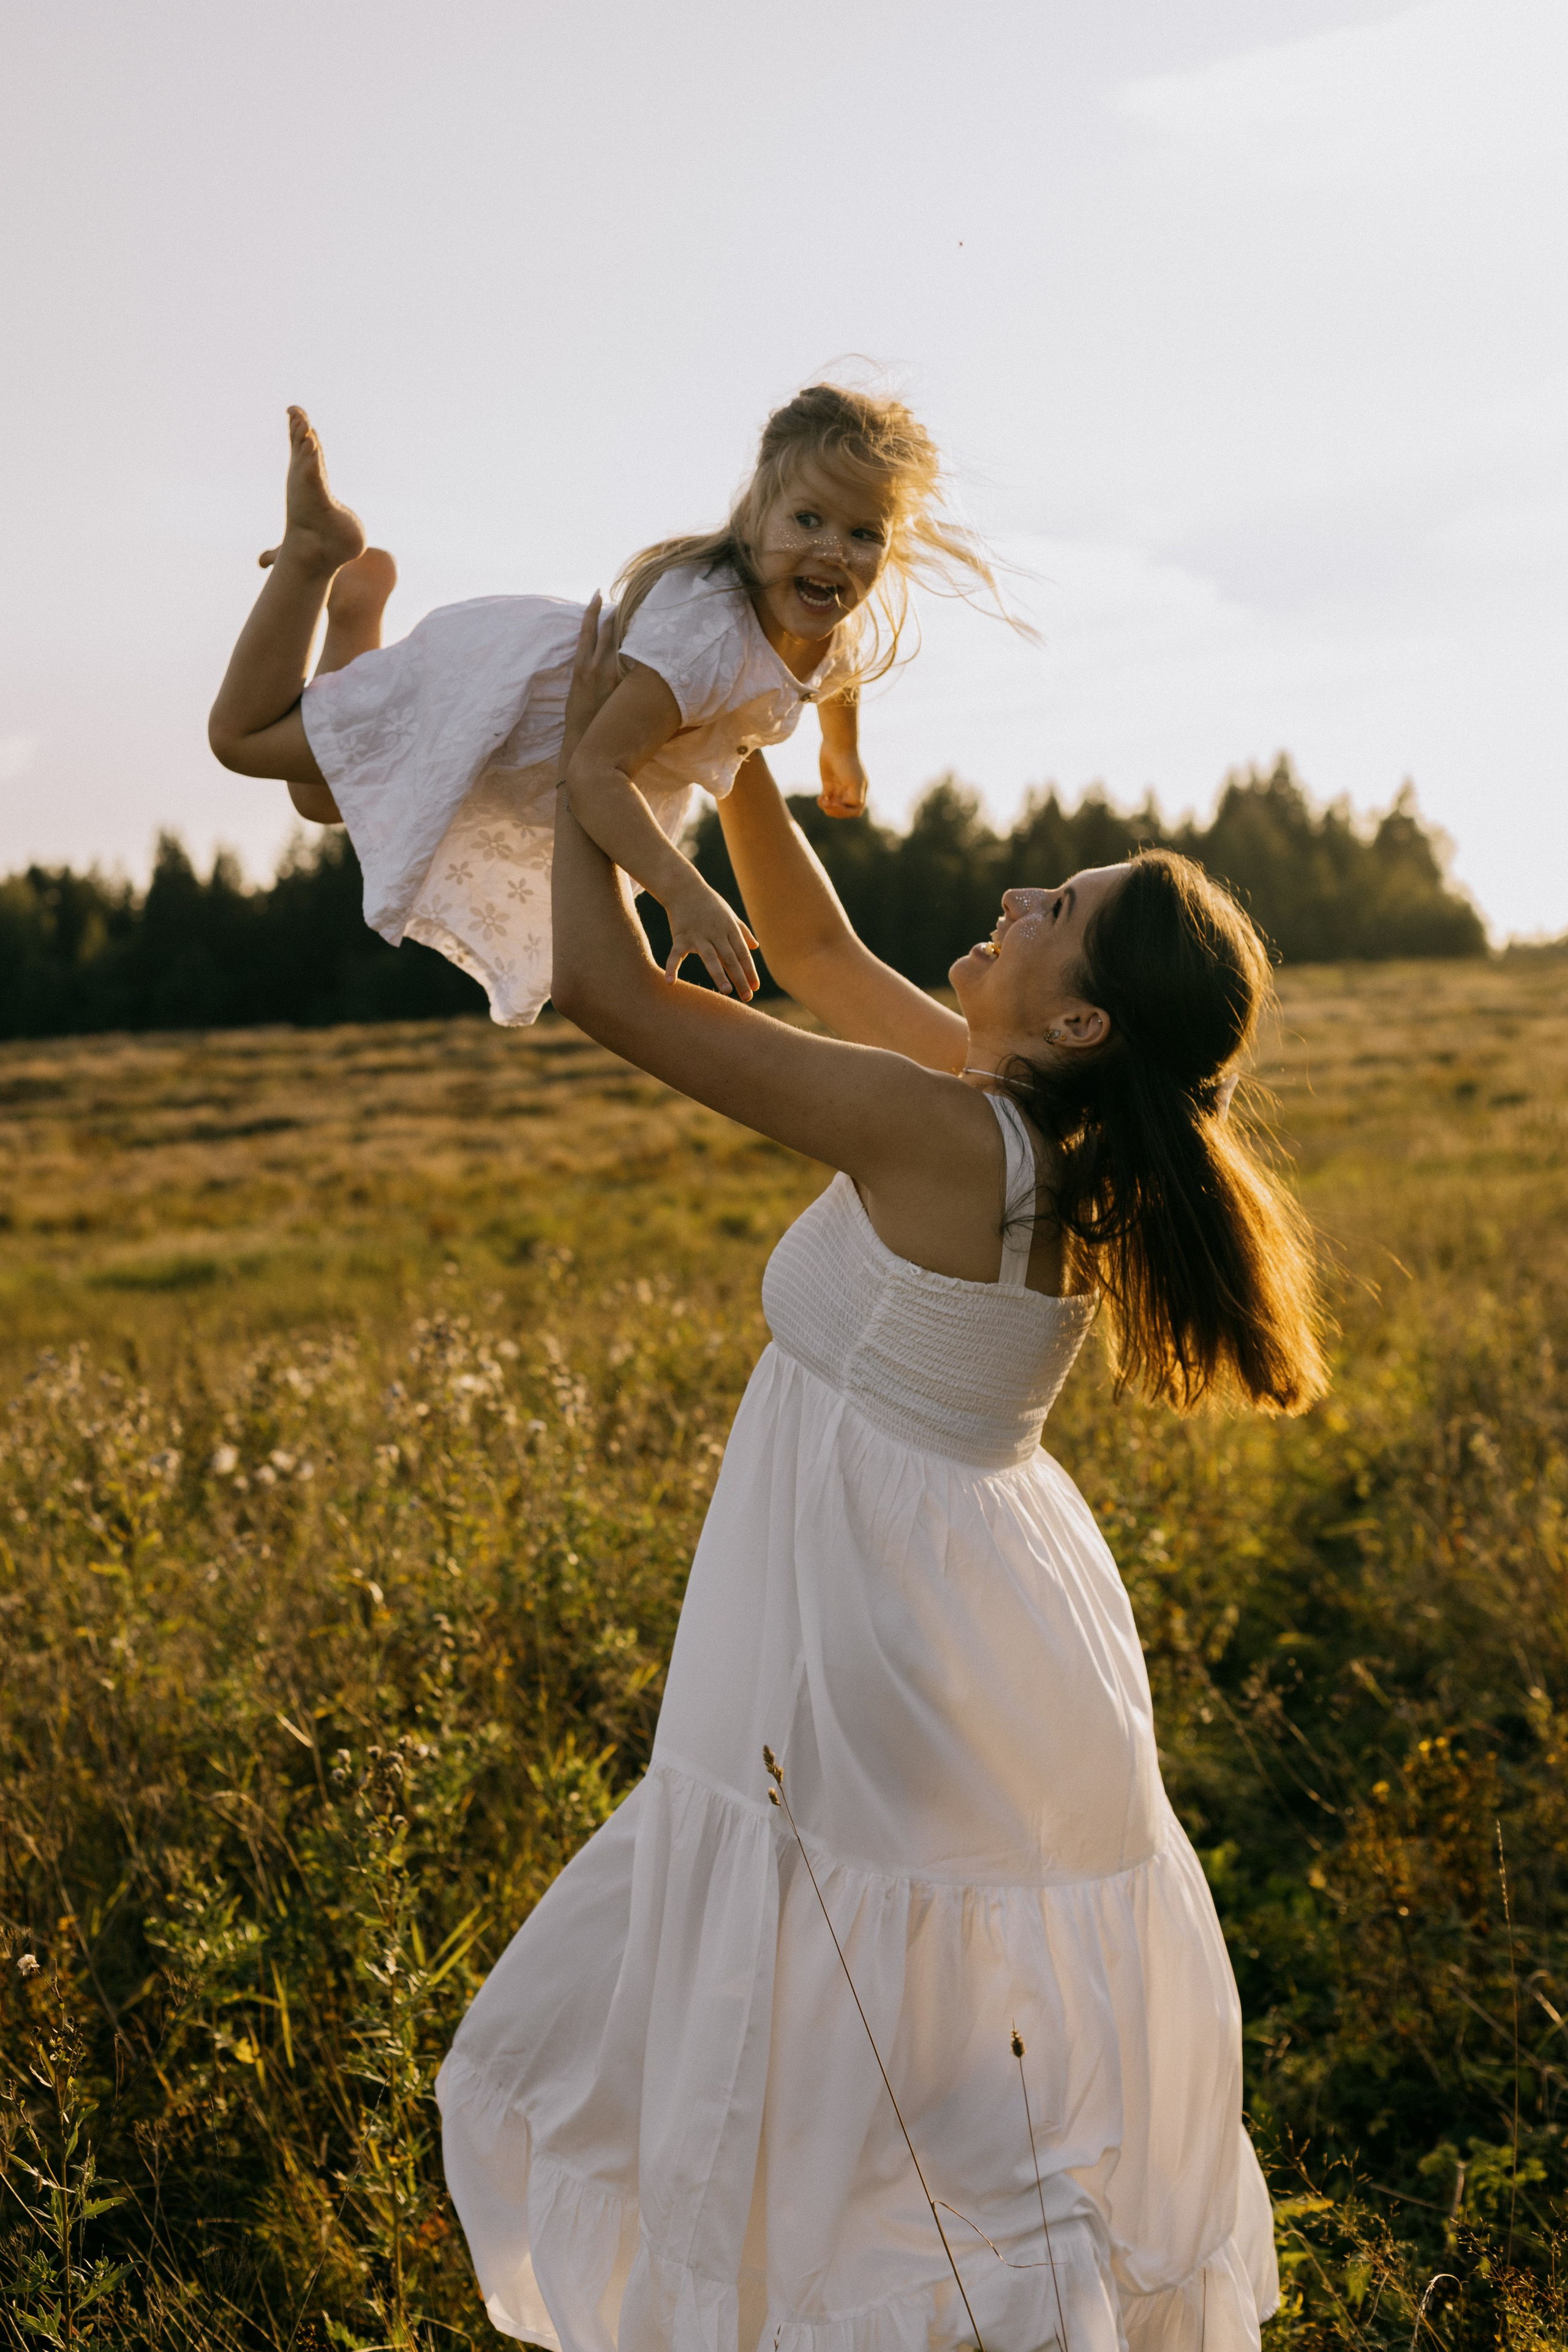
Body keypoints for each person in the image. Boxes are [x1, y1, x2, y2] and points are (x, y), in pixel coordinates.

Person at [432, 605, 1327, 2352]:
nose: (1012, 902)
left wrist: (587, 768)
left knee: (868, 2020)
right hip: (958, 1599)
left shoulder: (947, 1131)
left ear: (1076, 1024)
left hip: (882, 1624)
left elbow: (610, 989)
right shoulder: (1015, 1127)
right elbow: (814, 951)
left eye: (1053, 913)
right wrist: (740, 727)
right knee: (927, 2045)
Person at [208, 387, 1012, 1023]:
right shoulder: (704, 642)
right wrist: (683, 890)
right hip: (505, 703)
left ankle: (356, 610)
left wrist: (845, 751)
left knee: (324, 800)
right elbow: (595, 772)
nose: (835, 549)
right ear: (755, 514)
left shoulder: (826, 623)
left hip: (527, 739)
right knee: (242, 738)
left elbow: (837, 675)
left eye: (864, 534)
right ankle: (315, 556)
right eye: (808, 519)